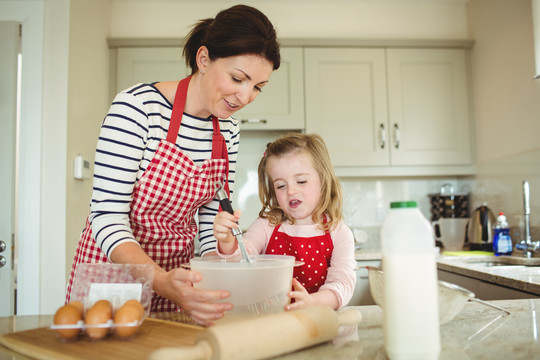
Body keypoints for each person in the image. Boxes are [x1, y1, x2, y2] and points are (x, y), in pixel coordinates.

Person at [66, 4, 281, 326]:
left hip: (181, 280)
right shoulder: (137, 108)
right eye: (238, 78)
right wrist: (161, 281)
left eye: (258, 87)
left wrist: (215, 268)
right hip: (114, 277)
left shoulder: (228, 131)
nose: (245, 96)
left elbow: (212, 218)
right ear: (204, 59)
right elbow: (106, 216)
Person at [213, 133, 357, 310]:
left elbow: (343, 284)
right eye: (281, 185)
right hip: (272, 322)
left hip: (317, 321)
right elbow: (242, 260)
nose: (291, 191)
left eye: (301, 181)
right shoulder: (267, 225)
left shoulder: (339, 233)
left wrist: (313, 302)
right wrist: (228, 242)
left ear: (323, 180)